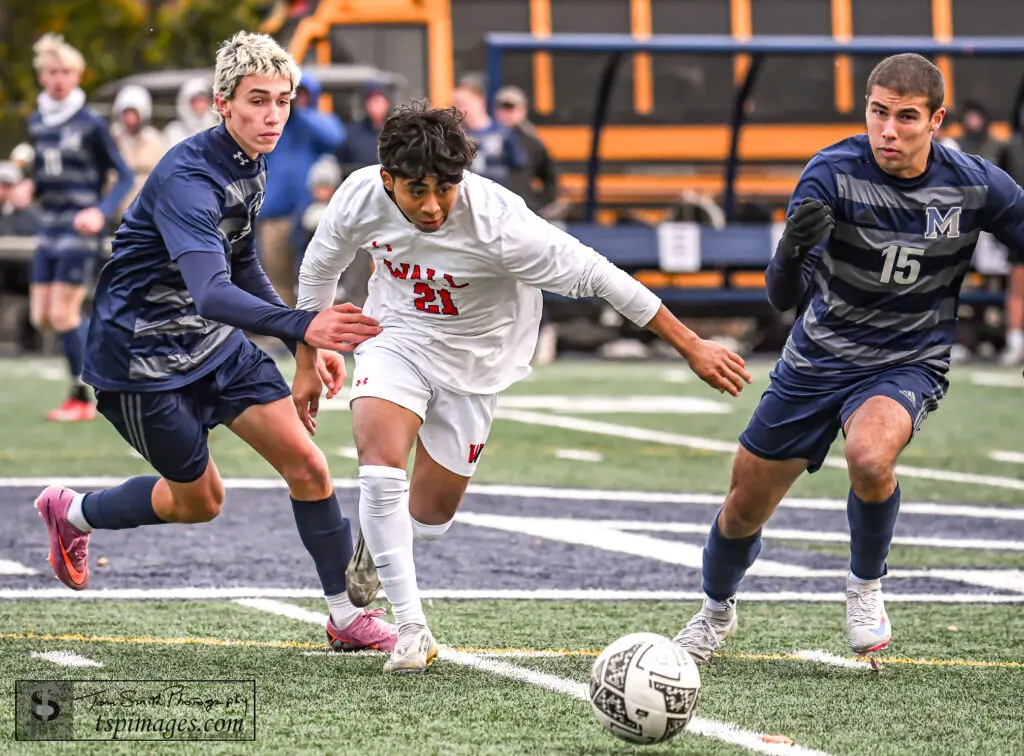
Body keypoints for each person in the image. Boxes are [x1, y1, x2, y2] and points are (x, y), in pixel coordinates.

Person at [293, 101, 752, 674]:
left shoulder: (501, 222)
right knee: (379, 465)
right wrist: (307, 361)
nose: (433, 205)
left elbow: (600, 276)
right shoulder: (360, 195)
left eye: (445, 188)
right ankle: (411, 627)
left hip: (479, 363)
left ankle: (378, 547)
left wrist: (692, 344)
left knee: (431, 520)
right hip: (396, 336)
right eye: (417, 190)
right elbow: (318, 272)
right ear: (388, 180)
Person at [34, 31, 396, 654]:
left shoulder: (249, 160)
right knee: (200, 503)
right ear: (221, 102)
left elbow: (241, 260)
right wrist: (306, 326)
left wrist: (298, 345)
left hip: (214, 345)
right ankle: (72, 511)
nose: (273, 115)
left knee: (308, 466)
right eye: (258, 100)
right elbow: (210, 291)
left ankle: (345, 616)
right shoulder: (188, 176)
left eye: (282, 101)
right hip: (141, 362)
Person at [671, 53, 1024, 663]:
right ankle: (715, 611)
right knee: (743, 507)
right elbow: (783, 298)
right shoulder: (830, 173)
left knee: (869, 455)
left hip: (907, 359)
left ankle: (865, 585)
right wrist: (792, 250)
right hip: (818, 358)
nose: (889, 130)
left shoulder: (976, 183)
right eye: (878, 113)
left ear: (937, 119)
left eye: (906, 117)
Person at [29, 33, 134, 421]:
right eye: (52, 72)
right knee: (41, 316)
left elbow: (122, 175)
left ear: (77, 76)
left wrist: (100, 210)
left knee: (62, 314)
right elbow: (44, 176)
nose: (59, 79)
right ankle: (115, 342)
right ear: (43, 76)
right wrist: (29, 187)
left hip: (79, 229)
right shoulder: (37, 122)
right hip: (49, 227)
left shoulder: (90, 123)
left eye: (66, 72)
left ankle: (80, 397)